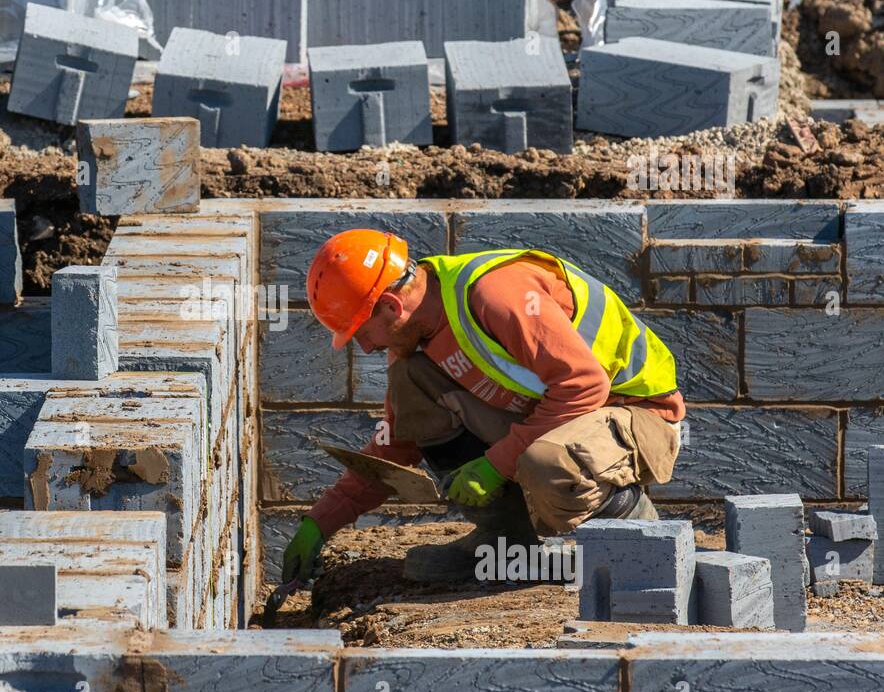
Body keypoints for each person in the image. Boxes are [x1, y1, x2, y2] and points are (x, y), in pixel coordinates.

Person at [280, 228, 685, 584]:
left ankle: (643, 541)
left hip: (638, 413)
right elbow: (396, 446)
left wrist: (496, 464)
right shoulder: (413, 343)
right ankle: (506, 544)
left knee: (547, 462)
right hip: (565, 414)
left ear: (390, 305)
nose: (366, 347)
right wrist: (321, 521)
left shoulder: (495, 296)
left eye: (361, 333)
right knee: (409, 382)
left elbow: (583, 385)